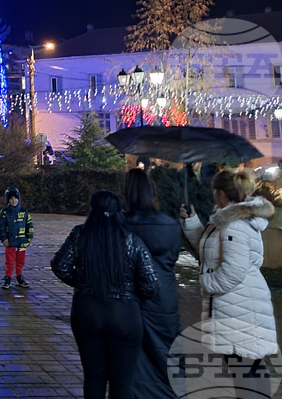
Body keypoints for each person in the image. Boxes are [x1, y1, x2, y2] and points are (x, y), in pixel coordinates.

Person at [51, 190, 160, 399]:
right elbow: (151, 284)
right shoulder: (132, 240)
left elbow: (60, 266)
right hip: (125, 315)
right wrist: (131, 291)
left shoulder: (80, 235)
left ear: (92, 210)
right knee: (122, 381)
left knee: (93, 377)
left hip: (87, 311)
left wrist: (82, 283)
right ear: (119, 212)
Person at [180, 170, 278, 398]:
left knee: (244, 369)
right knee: (251, 367)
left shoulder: (234, 226)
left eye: (215, 192)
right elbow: (211, 251)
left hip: (238, 307)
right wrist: (191, 222)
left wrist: (207, 282)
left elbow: (233, 271)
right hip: (244, 304)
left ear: (221, 194)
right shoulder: (230, 220)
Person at [123, 168, 181, 399]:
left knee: (137, 360)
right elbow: (173, 256)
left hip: (134, 295)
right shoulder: (170, 223)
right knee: (165, 351)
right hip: (165, 294)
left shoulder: (123, 223)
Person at [0, 186, 34, 289]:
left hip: (22, 242)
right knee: (10, 261)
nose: (14, 201)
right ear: (8, 200)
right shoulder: (4, 212)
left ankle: (19, 276)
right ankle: (8, 278)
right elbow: (1, 226)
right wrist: (4, 239)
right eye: (11, 199)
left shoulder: (24, 212)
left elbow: (29, 226)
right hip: (10, 242)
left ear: (19, 199)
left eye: (15, 198)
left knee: (20, 261)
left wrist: (28, 239)